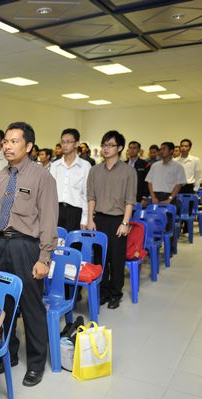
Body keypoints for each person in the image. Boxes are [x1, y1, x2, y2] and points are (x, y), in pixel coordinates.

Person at [0, 122, 58, 387]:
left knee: (31, 306)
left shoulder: (42, 177)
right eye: (6, 141)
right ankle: (7, 354)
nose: (8, 146)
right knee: (3, 305)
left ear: (29, 146)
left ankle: (36, 364)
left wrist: (44, 258)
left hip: (26, 246)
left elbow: (48, 219)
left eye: (14, 141)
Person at [86, 130, 137, 310]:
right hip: (98, 219)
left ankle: (116, 294)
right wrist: (90, 219)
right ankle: (103, 292)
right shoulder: (94, 170)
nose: (106, 148)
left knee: (116, 260)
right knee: (100, 259)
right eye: (104, 145)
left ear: (120, 148)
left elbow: (130, 200)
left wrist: (125, 223)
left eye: (110, 145)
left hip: (118, 220)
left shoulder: (128, 171)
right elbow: (91, 197)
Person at [51, 128, 90, 232]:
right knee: (56, 241)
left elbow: (86, 194)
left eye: (68, 142)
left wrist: (85, 218)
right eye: (63, 142)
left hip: (75, 211)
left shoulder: (85, 166)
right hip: (57, 210)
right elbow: (50, 192)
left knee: (74, 241)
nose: (65, 145)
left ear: (77, 143)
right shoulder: (55, 165)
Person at [125, 141, 149, 205]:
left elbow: (147, 182)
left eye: (134, 148)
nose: (132, 150)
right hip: (124, 196)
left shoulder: (144, 164)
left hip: (138, 197)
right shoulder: (123, 164)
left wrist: (144, 198)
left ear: (138, 150)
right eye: (130, 148)